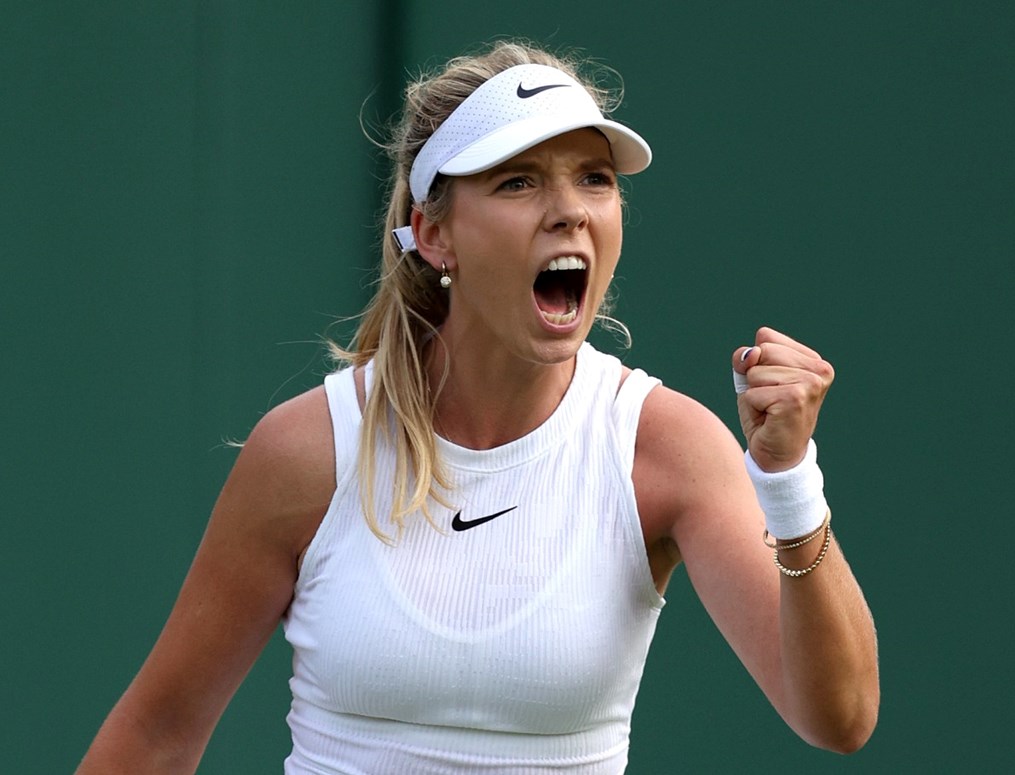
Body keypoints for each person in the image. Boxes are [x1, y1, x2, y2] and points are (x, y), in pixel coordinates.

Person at [77, 40, 879, 774]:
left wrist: (789, 482)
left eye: (593, 178)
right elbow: (156, 736)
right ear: (434, 234)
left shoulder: (663, 447)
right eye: (518, 180)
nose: (569, 209)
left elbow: (838, 716)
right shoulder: (309, 452)